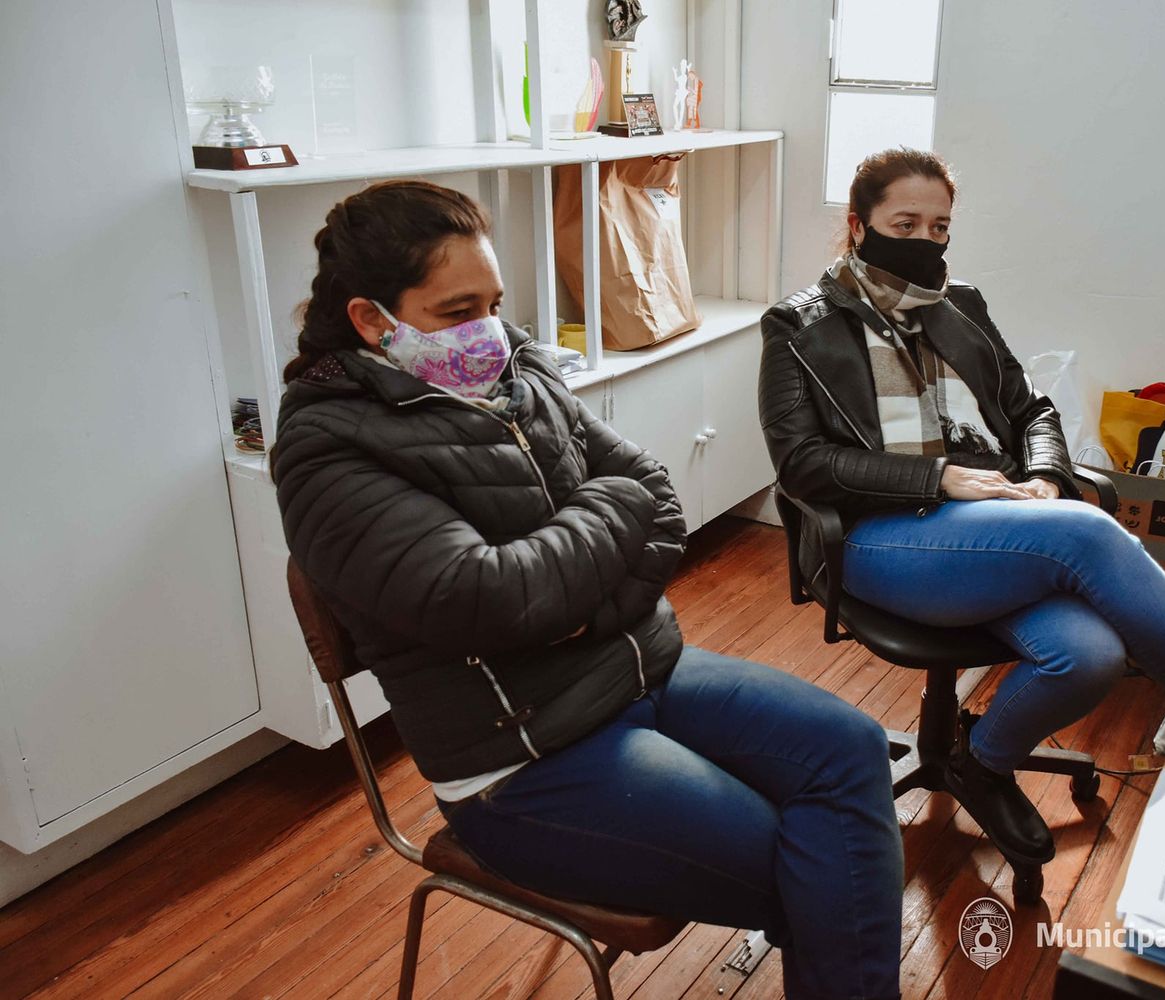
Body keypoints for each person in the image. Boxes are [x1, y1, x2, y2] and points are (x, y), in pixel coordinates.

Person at [272, 180, 903, 999]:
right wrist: (605, 522)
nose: (489, 332)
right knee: (813, 858)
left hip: (637, 665)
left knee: (849, 749)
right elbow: (492, 597)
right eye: (457, 310)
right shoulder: (328, 449)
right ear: (370, 320)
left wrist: (574, 606)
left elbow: (659, 496)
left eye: (494, 302)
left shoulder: (517, 369)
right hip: (522, 758)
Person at [758, 148, 1165, 869]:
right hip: (882, 536)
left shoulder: (959, 304)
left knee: (1088, 657)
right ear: (857, 224)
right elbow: (802, 465)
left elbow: (1032, 410)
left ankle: (981, 762)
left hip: (997, 520)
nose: (926, 240)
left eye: (939, 228)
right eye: (905, 222)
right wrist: (937, 478)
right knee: (1089, 536)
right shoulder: (798, 327)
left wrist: (1047, 479)